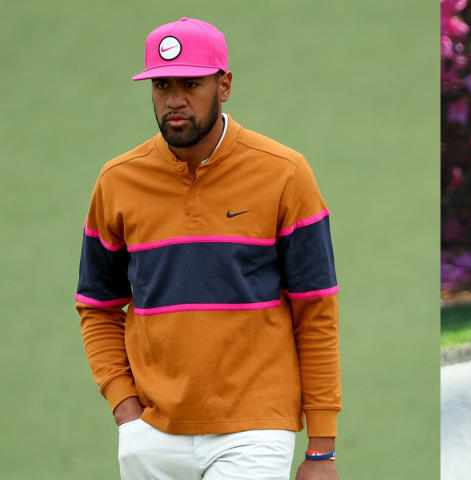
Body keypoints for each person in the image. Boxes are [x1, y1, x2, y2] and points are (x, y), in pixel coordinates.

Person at [75, 17, 340, 480]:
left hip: (256, 430)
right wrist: (125, 409)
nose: (174, 101)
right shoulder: (116, 181)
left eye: (191, 84)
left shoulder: (285, 173)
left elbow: (315, 309)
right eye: (161, 85)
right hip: (150, 433)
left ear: (225, 85)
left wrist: (321, 448)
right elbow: (97, 306)